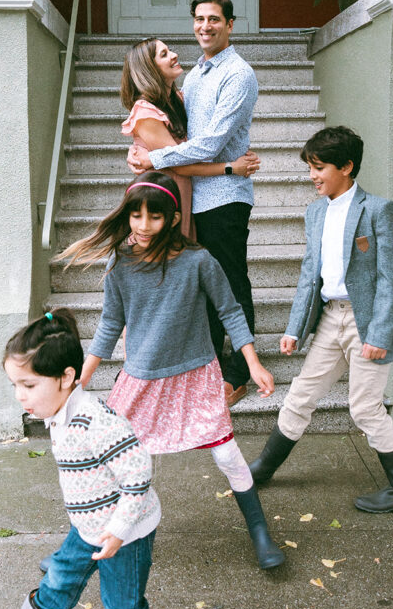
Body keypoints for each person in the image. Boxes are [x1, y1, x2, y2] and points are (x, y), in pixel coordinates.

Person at [60, 171, 284, 570]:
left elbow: (230, 311)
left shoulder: (198, 260)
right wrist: (85, 374)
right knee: (110, 463)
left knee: (228, 455)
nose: (144, 226)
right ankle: (78, 548)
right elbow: (111, 323)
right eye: (136, 215)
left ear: (174, 218)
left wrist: (253, 363)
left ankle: (261, 533)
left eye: (155, 217)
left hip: (195, 375)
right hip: (140, 379)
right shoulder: (121, 263)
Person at [0, 308, 188, 609]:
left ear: (66, 377)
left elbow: (138, 473)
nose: (20, 396)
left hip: (126, 533)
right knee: (61, 575)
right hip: (88, 525)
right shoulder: (57, 411)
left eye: (29, 385)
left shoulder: (94, 421)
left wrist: (119, 529)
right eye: (16, 385)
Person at [248, 126, 393, 513]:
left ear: (347, 166)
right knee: (300, 395)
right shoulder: (315, 211)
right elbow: (311, 272)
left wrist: (380, 334)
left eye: (319, 167)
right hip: (330, 318)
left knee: (364, 407)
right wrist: (294, 328)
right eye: (310, 167)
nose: (312, 175)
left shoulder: (378, 210)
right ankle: (263, 469)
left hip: (367, 322)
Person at [129, 0, 259, 407]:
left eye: (215, 19)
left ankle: (238, 375)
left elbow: (211, 144)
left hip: (223, 198)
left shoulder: (237, 74)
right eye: (199, 19)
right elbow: (181, 134)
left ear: (230, 24)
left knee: (232, 284)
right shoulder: (195, 76)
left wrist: (156, 157)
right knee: (204, 288)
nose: (206, 26)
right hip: (194, 198)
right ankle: (211, 366)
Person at [121, 36, 259, 237]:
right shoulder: (145, 112)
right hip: (165, 195)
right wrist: (231, 167)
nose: (174, 55)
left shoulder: (178, 99)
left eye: (169, 50)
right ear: (149, 69)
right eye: (164, 54)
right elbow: (179, 165)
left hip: (187, 191)